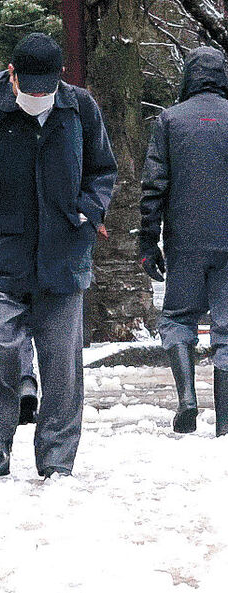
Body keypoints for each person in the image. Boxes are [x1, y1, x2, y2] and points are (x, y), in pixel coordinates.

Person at [0, 33, 117, 477]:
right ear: (13, 74)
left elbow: (102, 169)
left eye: (46, 88)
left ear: (60, 77)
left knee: (61, 365)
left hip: (64, 250)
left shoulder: (80, 108)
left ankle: (57, 460)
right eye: (30, 87)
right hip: (1, 252)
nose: (38, 96)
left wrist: (88, 210)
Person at [139, 46, 228, 436]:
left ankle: (187, 400)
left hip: (185, 241)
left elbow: (154, 185)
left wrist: (148, 241)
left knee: (177, 317)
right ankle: (225, 420)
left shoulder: (170, 121)